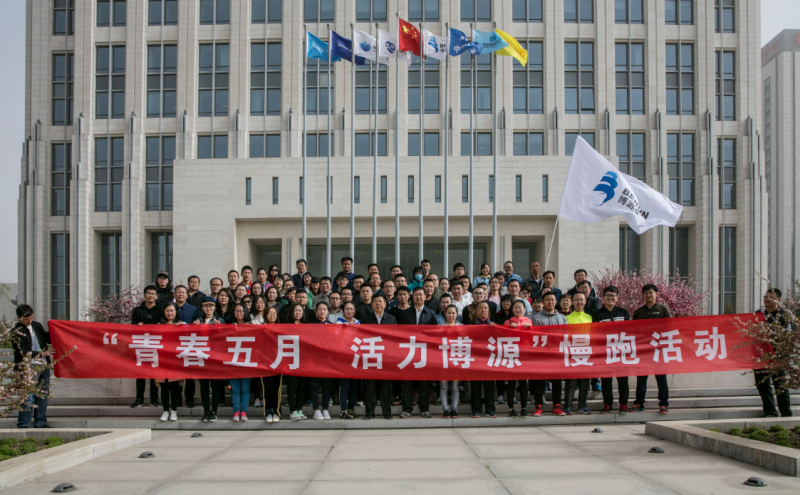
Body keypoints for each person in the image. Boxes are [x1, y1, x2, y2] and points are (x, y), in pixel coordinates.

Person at [632, 284, 672, 414]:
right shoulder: (638, 312)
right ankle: (639, 402)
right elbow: (633, 331)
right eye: (646, 293)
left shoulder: (663, 309)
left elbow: (669, 327)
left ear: (656, 294)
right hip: (643, 350)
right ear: (643, 295)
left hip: (659, 350)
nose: (648, 295)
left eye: (650, 293)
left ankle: (663, 403)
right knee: (641, 378)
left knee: (661, 378)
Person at [12, 304, 53, 429]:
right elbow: (21, 351)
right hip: (28, 367)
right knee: (28, 397)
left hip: (43, 366)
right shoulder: (16, 331)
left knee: (43, 395)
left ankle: (40, 422)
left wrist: (54, 328)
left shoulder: (37, 325)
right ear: (19, 318)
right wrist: (41, 354)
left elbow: (48, 339)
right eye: (26, 319)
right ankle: (23, 423)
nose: (29, 321)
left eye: (31, 317)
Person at [755, 288, 793, 418]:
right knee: (762, 385)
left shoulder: (784, 315)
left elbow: (789, 337)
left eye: (771, 297)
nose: (767, 299)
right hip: (760, 357)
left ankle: (786, 412)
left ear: (778, 300)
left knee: (780, 385)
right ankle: (770, 411)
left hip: (778, 357)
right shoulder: (758, 314)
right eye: (765, 296)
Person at [593, 285, 631, 414]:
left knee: (623, 380)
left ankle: (623, 404)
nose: (610, 298)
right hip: (605, 353)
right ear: (603, 298)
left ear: (617, 298)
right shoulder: (597, 314)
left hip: (621, 352)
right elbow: (596, 332)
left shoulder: (623, 313)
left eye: (613, 296)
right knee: (606, 380)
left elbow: (629, 331)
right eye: (608, 295)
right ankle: (607, 404)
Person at [399, 287, 437, 419]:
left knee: (423, 384)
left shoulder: (431, 314)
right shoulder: (405, 313)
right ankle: (407, 409)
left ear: (425, 297)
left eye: (421, 295)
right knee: (408, 384)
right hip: (409, 352)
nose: (418, 297)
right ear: (412, 297)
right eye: (416, 295)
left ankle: (424, 409)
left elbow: (436, 334)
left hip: (424, 353)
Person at [531, 293, 569, 417]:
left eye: (552, 300)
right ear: (543, 302)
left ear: (556, 301)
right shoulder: (536, 318)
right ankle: (538, 406)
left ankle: (557, 406)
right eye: (547, 300)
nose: (550, 302)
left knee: (557, 382)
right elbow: (535, 336)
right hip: (541, 355)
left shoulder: (562, 318)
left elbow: (566, 336)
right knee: (540, 382)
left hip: (557, 355)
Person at [361, 295, 397, 420]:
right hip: (371, 356)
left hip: (386, 358)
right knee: (370, 387)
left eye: (381, 302)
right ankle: (369, 413)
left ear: (385, 304)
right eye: (375, 302)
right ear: (371, 305)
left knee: (385, 388)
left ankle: (387, 413)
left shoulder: (391, 319)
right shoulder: (366, 319)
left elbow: (395, 338)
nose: (378, 304)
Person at [193, 296, 223, 422]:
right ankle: (206, 411)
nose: (208, 308)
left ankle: (214, 411)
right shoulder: (198, 321)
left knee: (215, 387)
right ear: (202, 307)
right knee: (204, 387)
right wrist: (193, 327)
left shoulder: (219, 321)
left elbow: (224, 339)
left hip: (215, 359)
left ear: (214, 307)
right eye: (206, 306)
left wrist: (220, 328)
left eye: (211, 306)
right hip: (202, 359)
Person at [130, 285, 161, 408]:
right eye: (148, 293)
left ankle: (154, 399)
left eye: (153, 294)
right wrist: (137, 326)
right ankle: (139, 399)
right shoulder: (138, 310)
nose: (150, 296)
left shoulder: (160, 309)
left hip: (155, 346)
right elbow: (131, 327)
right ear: (144, 295)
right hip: (141, 346)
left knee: (154, 375)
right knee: (140, 374)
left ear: (156, 297)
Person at [503, 300, 533, 417]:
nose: (518, 310)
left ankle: (524, 407)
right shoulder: (508, 322)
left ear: (524, 309)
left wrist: (529, 329)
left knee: (523, 384)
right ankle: (511, 408)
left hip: (524, 355)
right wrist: (510, 328)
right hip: (512, 355)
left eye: (520, 307)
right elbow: (503, 337)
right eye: (515, 307)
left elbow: (532, 338)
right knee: (511, 384)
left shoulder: (529, 321)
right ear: (512, 309)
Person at [564, 292, 593, 415]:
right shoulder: (567, 318)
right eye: (576, 300)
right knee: (571, 382)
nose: (579, 302)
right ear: (572, 302)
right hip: (572, 353)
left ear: (585, 301)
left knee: (585, 383)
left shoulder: (590, 317)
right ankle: (568, 406)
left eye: (581, 300)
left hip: (587, 353)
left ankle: (583, 405)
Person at [156, 303, 185, 422]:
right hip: (162, 360)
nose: (170, 313)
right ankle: (165, 410)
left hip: (175, 361)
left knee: (174, 387)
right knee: (164, 387)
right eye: (167, 311)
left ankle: (174, 410)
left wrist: (181, 327)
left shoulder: (181, 324)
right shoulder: (158, 326)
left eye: (172, 311)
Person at [173, 285, 200, 407]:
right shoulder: (169, 308)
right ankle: (177, 399)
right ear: (174, 294)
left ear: (186, 294)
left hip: (188, 345)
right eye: (178, 292)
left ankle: (189, 399)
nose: (180, 294)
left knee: (190, 375)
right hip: (172, 346)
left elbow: (198, 326)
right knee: (176, 375)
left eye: (183, 292)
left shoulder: (193, 309)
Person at [469, 301, 497, 419]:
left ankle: (490, 409)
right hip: (475, 360)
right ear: (476, 311)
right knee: (475, 387)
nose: (483, 310)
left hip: (489, 360)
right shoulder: (470, 326)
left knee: (489, 387)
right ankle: (476, 410)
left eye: (485, 308)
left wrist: (494, 328)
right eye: (480, 308)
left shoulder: (494, 326)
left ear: (489, 312)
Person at [309, 303, 334, 420]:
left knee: (326, 386)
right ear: (316, 311)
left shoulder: (332, 326)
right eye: (320, 309)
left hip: (327, 361)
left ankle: (325, 409)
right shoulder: (311, 325)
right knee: (314, 385)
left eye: (324, 309)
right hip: (314, 360)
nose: (322, 311)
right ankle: (316, 410)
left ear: (328, 312)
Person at [285, 303, 309, 420]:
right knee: (292, 388)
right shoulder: (286, 326)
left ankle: (299, 410)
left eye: (300, 310)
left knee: (302, 388)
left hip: (303, 361)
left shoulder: (307, 326)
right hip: (290, 361)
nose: (298, 313)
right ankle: (292, 410)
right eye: (296, 310)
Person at [229, 304, 252, 422]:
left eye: (241, 311)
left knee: (245, 388)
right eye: (236, 311)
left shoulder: (251, 326)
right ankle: (236, 411)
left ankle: (244, 411)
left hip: (247, 362)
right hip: (233, 362)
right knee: (235, 389)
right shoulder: (230, 326)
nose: (239, 313)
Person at [439, 305, 463, 418]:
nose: (451, 315)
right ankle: (445, 410)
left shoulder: (462, 327)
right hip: (442, 359)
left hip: (456, 359)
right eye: (449, 313)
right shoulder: (438, 327)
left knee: (455, 386)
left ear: (457, 314)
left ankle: (454, 409)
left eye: (453, 313)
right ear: (445, 314)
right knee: (443, 385)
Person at [261, 306, 282, 423]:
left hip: (278, 363)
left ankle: (276, 411)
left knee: (276, 389)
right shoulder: (261, 328)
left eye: (274, 313)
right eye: (269, 313)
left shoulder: (281, 328)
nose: (272, 315)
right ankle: (268, 412)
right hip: (265, 363)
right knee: (267, 389)